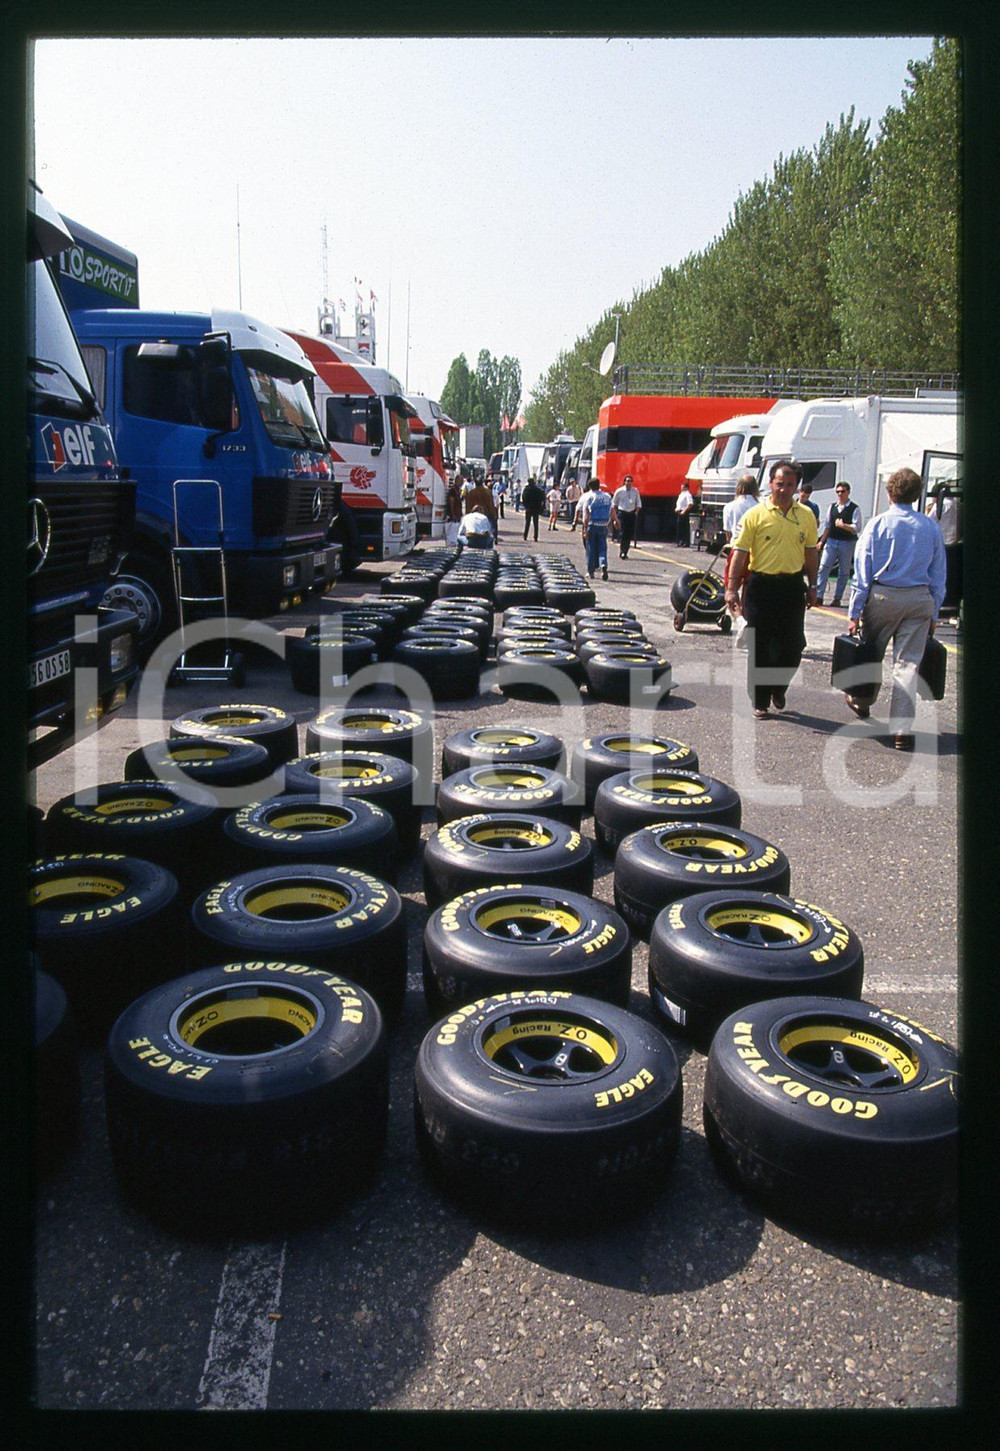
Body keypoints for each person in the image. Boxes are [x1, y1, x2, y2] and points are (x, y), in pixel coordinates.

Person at [845, 466, 946, 751]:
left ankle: (861, 700)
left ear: (889, 492)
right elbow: (938, 574)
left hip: (883, 597)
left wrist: (854, 612)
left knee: (870, 654)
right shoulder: (930, 527)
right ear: (916, 495)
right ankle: (902, 729)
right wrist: (935, 612)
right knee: (907, 664)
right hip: (919, 598)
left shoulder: (877, 524)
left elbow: (862, 573)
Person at [725, 459, 818, 718]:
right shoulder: (755, 515)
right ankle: (761, 700)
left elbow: (811, 553)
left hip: (792, 586)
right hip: (761, 586)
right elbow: (739, 553)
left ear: (797, 487)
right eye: (780, 483)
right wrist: (731, 588)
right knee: (761, 646)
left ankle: (779, 687)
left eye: (790, 484)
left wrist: (813, 586)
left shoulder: (806, 516)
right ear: (770, 483)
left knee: (794, 646)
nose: (784, 489)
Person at [722, 473, 760, 633]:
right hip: (755, 552)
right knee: (748, 591)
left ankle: (738, 619)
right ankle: (747, 620)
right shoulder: (760, 507)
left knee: (730, 589)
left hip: (737, 550)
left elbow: (728, 534)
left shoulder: (730, 506)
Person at [816, 482, 861, 606]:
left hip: (847, 542)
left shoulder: (854, 508)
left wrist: (844, 526)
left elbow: (857, 528)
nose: (840, 494)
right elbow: (828, 526)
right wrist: (821, 541)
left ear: (848, 492)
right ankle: (819, 596)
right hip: (831, 541)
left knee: (844, 571)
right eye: (838, 491)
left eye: (843, 491)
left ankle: (837, 598)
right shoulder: (832, 507)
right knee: (823, 567)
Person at [580, 476, 613, 580]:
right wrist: (610, 524)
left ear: (590, 487)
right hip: (603, 525)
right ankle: (603, 564)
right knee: (602, 548)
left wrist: (585, 529)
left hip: (592, 524)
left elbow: (587, 514)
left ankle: (591, 572)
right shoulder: (607, 497)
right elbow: (611, 511)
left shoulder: (590, 497)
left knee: (591, 549)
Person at [611, 474, 642, 559]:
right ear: (624, 482)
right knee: (623, 532)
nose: (628, 482)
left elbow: (638, 502)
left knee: (629, 533)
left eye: (630, 481)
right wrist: (615, 517)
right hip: (622, 513)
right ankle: (622, 551)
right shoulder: (619, 491)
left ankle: (625, 551)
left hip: (631, 513)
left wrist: (636, 512)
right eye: (627, 481)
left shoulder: (635, 491)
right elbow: (614, 504)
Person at [521, 475, 544, 541]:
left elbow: (524, 498)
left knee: (527, 523)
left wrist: (526, 506)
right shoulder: (538, 490)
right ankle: (535, 537)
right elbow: (541, 499)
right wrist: (540, 507)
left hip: (529, 508)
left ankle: (525, 536)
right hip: (536, 508)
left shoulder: (526, 490)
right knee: (536, 524)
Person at [674, 482, 694, 547]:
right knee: (680, 527)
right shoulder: (681, 494)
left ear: (686, 487)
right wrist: (677, 508)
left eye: (683, 487)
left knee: (684, 528)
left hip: (684, 512)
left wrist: (684, 511)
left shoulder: (688, 494)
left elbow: (690, 504)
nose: (681, 488)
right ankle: (680, 541)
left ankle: (685, 542)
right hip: (679, 511)